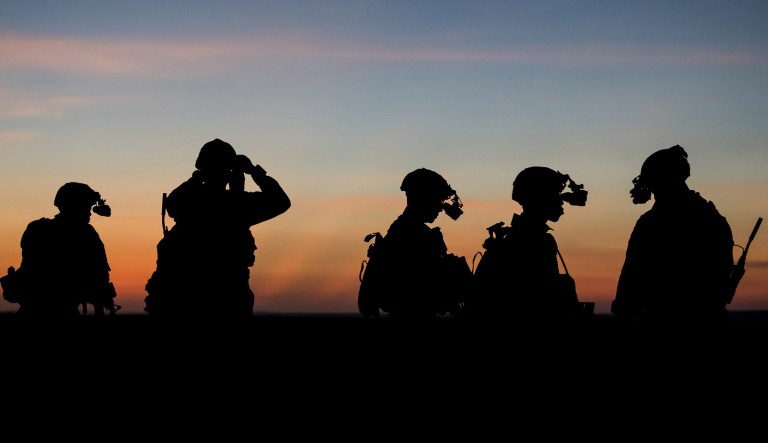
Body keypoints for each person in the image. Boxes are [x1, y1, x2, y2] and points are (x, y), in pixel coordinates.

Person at [144, 138, 291, 319]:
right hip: (215, 298)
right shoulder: (237, 205)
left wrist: (198, 178)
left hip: (191, 299)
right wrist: (254, 172)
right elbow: (280, 201)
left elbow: (174, 204)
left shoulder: (195, 203)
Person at [610, 145, 735, 323]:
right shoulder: (711, 216)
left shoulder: (651, 222)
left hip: (666, 317)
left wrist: (624, 312)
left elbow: (632, 275)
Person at [468, 166, 590, 322]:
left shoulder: (534, 239)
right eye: (555, 195)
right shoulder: (527, 242)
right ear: (539, 198)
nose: (562, 202)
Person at [357, 168, 471, 320]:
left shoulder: (412, 230)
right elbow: (427, 289)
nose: (440, 208)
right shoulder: (410, 234)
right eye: (437, 200)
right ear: (423, 199)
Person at [0, 182, 117, 318]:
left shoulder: (37, 229)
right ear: (73, 206)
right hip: (56, 310)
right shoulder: (85, 234)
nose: (88, 212)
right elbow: (99, 276)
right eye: (85, 206)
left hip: (35, 309)